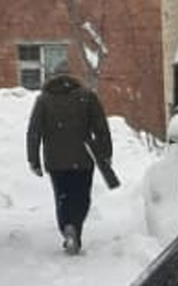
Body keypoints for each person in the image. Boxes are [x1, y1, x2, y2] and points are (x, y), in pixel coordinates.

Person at [26, 63, 119, 255]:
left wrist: (33, 159)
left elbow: (34, 132)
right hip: (83, 158)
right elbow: (101, 128)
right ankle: (75, 227)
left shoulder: (44, 100)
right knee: (81, 196)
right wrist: (106, 153)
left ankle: (67, 227)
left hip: (55, 160)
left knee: (62, 196)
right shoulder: (87, 97)